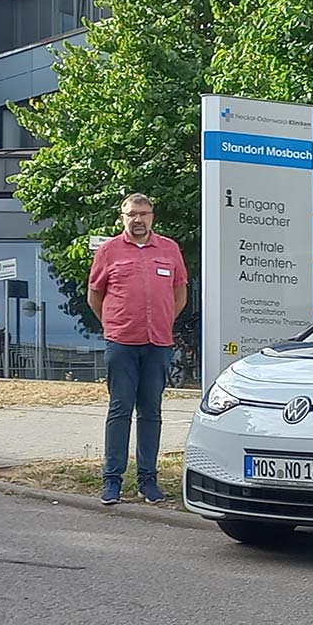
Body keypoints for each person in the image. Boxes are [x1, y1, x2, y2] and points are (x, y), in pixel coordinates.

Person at [88, 193, 187, 505]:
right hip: (121, 343)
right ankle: (112, 481)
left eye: (143, 213)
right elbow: (95, 297)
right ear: (123, 218)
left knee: (151, 411)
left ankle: (148, 481)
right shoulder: (109, 251)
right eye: (132, 214)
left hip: (158, 342)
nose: (138, 219)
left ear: (152, 217)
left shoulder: (169, 249)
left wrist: (164, 319)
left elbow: (179, 294)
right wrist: (114, 325)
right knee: (120, 409)